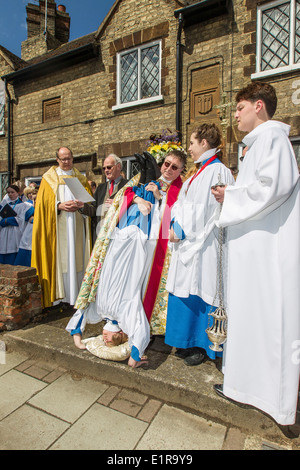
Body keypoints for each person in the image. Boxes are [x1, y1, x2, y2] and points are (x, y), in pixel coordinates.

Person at [211, 82, 300, 427]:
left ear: (259, 106)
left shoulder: (273, 138)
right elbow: (259, 188)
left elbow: (272, 187)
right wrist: (232, 192)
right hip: (252, 251)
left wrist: (230, 197)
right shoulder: (259, 144)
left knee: (268, 321)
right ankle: (243, 386)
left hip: (266, 253)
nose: (234, 115)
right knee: (250, 318)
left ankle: (272, 400)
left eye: (239, 108)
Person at [66, 149, 187, 368]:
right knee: (142, 215)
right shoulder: (129, 314)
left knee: (135, 208)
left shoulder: (100, 309)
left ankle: (145, 176)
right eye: (167, 164)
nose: (105, 338)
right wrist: (135, 356)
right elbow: (139, 338)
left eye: (173, 166)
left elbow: (83, 307)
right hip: (144, 239)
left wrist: (78, 337)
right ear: (122, 335)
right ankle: (147, 176)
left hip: (122, 240)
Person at [165, 124, 234, 366]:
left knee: (201, 290)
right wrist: (174, 221)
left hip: (206, 244)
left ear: (204, 143)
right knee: (186, 290)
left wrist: (181, 230)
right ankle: (185, 341)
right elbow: (183, 203)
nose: (189, 149)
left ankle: (202, 346)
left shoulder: (218, 171)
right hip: (190, 243)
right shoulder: (198, 172)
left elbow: (208, 209)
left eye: (192, 143)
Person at [31, 146, 95, 308]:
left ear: (73, 158)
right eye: (63, 159)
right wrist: (58, 205)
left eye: (69, 158)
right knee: (63, 260)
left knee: (77, 258)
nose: (66, 162)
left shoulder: (80, 178)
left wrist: (81, 205)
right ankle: (60, 297)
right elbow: (41, 205)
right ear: (57, 160)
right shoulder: (49, 178)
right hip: (57, 229)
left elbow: (90, 205)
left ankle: (77, 295)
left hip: (77, 227)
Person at [92, 154, 127, 244]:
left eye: (109, 167)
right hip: (100, 236)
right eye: (104, 168)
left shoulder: (128, 185)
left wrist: (117, 203)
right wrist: (82, 206)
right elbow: (93, 209)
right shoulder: (101, 188)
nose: (106, 170)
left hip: (119, 235)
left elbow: (133, 206)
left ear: (118, 166)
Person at [0, 185, 34, 265]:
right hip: (4, 234)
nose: (10, 194)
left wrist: (9, 220)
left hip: (15, 234)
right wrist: (4, 221)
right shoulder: (4, 206)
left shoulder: (24, 206)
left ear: (18, 193)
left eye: (12, 192)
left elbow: (23, 219)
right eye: (8, 192)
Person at [15, 189, 38, 267]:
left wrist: (34, 220)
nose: (34, 202)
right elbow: (22, 218)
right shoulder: (29, 208)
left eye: (36, 200)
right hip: (26, 241)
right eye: (33, 199)